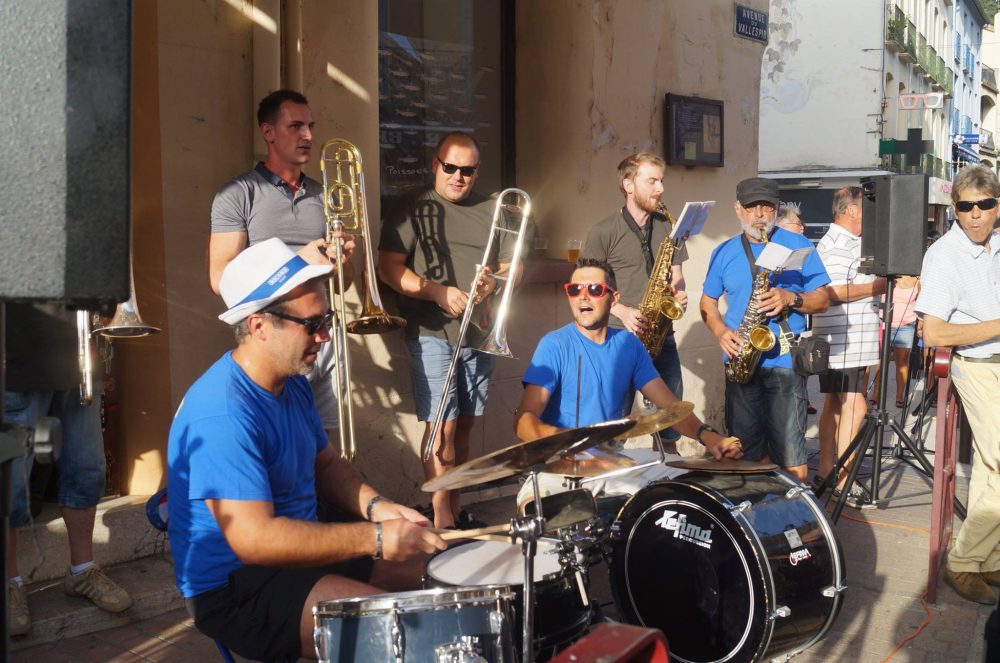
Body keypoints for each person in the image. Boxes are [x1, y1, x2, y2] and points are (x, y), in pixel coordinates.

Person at [168, 238, 446, 660]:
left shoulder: (293, 381)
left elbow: (327, 464)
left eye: (327, 320)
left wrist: (379, 509)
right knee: (405, 636)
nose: (326, 335)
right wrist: (374, 538)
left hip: (300, 552)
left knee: (446, 573)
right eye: (312, 324)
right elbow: (255, 540)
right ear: (259, 325)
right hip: (238, 586)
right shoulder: (222, 414)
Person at [378, 131, 512, 529]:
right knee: (442, 426)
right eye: (450, 167)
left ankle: (454, 505)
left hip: (480, 330)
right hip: (432, 331)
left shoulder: (493, 208)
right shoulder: (412, 204)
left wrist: (494, 283)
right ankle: (441, 519)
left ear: (477, 171)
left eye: (467, 170)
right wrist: (436, 292)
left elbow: (513, 265)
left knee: (466, 423)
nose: (458, 176)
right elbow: (388, 268)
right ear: (435, 164)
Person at [208, 88, 355, 445]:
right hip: (274, 334)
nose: (308, 136)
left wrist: (342, 261)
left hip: (324, 330)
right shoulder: (238, 194)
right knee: (281, 436)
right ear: (268, 132)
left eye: (310, 126)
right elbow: (220, 279)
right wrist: (298, 261)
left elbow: (344, 284)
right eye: (295, 126)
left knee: (326, 440)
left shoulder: (326, 196)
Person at [515, 258, 742, 463]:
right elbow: (523, 421)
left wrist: (709, 437)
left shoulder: (628, 345)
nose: (583, 296)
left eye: (594, 289)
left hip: (608, 461)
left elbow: (670, 407)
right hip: (559, 465)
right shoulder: (554, 345)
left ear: (614, 299)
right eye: (574, 290)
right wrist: (564, 441)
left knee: (677, 481)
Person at [5, 304, 132, 636]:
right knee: (11, 483)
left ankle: (82, 571)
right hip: (14, 366)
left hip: (77, 363)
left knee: (86, 471)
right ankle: (9, 583)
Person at [699, 177, 830, 483]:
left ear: (776, 208)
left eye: (766, 207)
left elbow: (823, 299)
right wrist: (720, 332)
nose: (759, 214)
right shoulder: (724, 251)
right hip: (741, 362)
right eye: (751, 207)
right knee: (745, 453)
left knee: (792, 457)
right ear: (737, 209)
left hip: (784, 363)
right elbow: (707, 301)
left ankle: (796, 507)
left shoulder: (799, 245)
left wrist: (791, 298)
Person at [915, 164, 1000, 605]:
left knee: (990, 467)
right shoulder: (945, 254)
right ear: (954, 208)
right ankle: (963, 560)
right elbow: (933, 333)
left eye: (985, 204)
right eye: (966, 206)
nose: (976, 214)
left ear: (997, 206)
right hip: (976, 364)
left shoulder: (996, 245)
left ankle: (985, 558)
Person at [582, 153, 689, 447]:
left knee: (670, 426)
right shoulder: (603, 231)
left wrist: (679, 292)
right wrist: (620, 310)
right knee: (613, 432)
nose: (660, 189)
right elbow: (586, 287)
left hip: (661, 337)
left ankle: (667, 475)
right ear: (629, 185)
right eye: (651, 181)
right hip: (618, 340)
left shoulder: (669, 226)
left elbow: (677, 275)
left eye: (661, 181)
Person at [811, 186, 885, 491]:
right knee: (856, 408)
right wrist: (876, 288)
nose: (871, 216)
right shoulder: (836, 244)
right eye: (866, 209)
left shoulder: (847, 241)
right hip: (844, 341)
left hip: (848, 340)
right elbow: (831, 291)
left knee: (836, 404)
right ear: (851, 211)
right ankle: (843, 480)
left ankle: (826, 470)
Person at [775, 201, 818, 415]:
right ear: (781, 226)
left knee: (800, 366)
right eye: (797, 224)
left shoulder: (804, 249)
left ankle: (803, 397)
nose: (802, 228)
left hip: (798, 326)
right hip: (774, 331)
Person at [872, 274, 920, 409]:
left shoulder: (917, 281)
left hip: (906, 326)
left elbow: (922, 303)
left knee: (902, 362)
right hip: (884, 323)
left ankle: (900, 396)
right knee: (882, 361)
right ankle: (876, 393)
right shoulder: (888, 276)